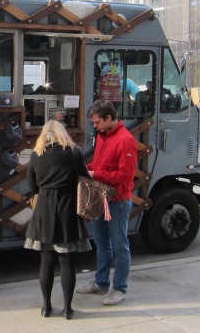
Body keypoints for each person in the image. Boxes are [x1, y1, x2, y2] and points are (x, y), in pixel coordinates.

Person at [25, 120, 92, 320]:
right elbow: (85, 178)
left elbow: (32, 185)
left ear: (44, 135)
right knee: (66, 261)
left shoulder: (37, 153)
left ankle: (46, 307)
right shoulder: (74, 152)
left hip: (44, 210)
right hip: (67, 210)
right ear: (63, 133)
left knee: (46, 261)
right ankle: (68, 309)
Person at [76, 99, 136, 306]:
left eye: (97, 122)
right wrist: (88, 168)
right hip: (102, 197)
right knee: (102, 243)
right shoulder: (104, 135)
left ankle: (119, 288)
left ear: (109, 118)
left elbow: (126, 176)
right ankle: (101, 283)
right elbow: (103, 164)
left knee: (120, 246)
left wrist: (94, 173)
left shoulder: (125, 140)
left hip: (117, 200)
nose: (95, 126)